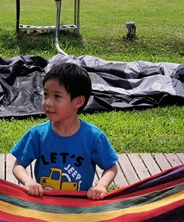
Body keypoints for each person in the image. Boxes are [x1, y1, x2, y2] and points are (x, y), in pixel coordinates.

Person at [11, 62, 119, 201]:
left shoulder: (93, 136)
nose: (48, 102)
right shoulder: (37, 134)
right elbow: (18, 165)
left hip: (80, 207)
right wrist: (28, 181)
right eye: (45, 94)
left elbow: (111, 166)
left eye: (57, 96)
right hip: (46, 205)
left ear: (78, 102)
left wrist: (102, 185)